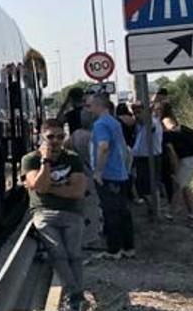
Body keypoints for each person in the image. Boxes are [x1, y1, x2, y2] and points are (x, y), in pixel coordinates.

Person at [22, 119, 87, 310]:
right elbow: (40, 186)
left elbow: (77, 191)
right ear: (41, 136)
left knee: (73, 255)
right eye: (51, 137)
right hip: (44, 213)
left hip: (72, 212)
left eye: (60, 136)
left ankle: (75, 296)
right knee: (58, 252)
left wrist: (49, 188)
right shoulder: (31, 159)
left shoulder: (72, 158)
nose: (56, 141)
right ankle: (76, 294)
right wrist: (45, 161)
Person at [88, 94, 135, 260]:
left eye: (91, 106)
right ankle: (128, 247)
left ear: (100, 106)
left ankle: (113, 250)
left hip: (108, 174)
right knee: (123, 211)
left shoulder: (100, 124)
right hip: (120, 173)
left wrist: (98, 171)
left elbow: (103, 146)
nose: (89, 109)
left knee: (110, 212)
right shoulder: (114, 122)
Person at [64, 109, 102, 248]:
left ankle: (85, 237)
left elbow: (66, 148)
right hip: (93, 175)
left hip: (81, 174)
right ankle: (92, 238)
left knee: (84, 209)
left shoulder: (75, 135)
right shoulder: (94, 136)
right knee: (95, 206)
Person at [159, 102, 193, 221]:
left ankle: (171, 213)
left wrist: (169, 131)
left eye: (159, 109)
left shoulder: (166, 121)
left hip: (188, 159)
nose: (156, 112)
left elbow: (173, 131)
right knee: (184, 186)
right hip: (188, 158)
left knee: (178, 185)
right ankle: (192, 214)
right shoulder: (170, 121)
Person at [131, 100, 165, 215]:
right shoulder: (140, 126)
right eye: (134, 112)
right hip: (141, 159)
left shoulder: (152, 123)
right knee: (142, 187)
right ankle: (152, 208)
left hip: (150, 159)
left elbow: (151, 126)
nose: (136, 115)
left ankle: (155, 210)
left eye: (139, 112)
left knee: (151, 186)